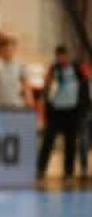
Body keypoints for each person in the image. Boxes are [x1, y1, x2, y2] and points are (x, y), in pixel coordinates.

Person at [36, 45, 87, 183]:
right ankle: (40, 170)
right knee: (48, 141)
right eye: (59, 56)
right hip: (56, 112)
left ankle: (68, 173)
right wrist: (46, 107)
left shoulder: (77, 69)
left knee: (70, 143)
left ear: (68, 56)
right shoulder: (54, 69)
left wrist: (82, 109)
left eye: (63, 55)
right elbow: (46, 88)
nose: (61, 58)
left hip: (72, 112)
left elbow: (84, 88)